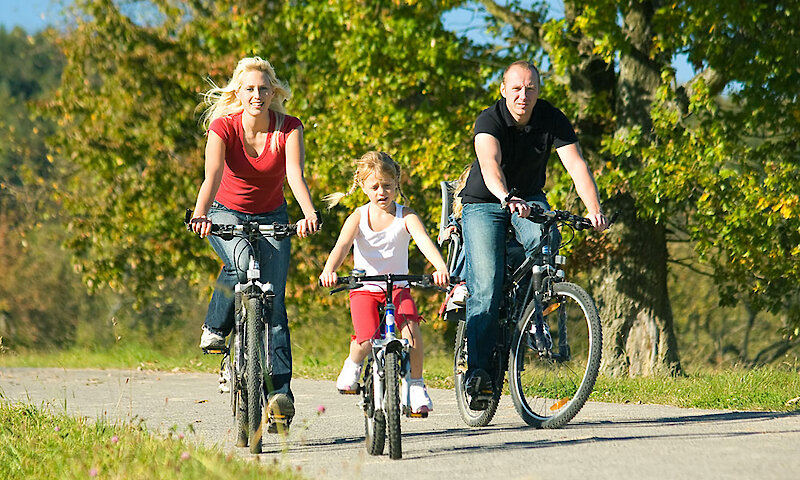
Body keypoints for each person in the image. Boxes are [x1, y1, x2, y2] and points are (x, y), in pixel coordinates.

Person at [459, 60, 608, 407]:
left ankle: (531, 314)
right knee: (487, 282)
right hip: (485, 201)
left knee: (548, 240)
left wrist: (594, 209)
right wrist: (505, 197)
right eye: (516, 88)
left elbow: (576, 165)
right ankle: (478, 374)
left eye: (530, 88)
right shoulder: (489, 119)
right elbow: (489, 163)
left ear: (538, 91)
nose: (522, 95)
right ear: (503, 90)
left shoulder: (552, 118)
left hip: (528, 198)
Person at [189, 56, 320, 431]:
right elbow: (212, 175)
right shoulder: (223, 127)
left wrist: (308, 213)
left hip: (273, 217)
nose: (257, 95)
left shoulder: (288, 128)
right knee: (240, 266)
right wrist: (201, 214)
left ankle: (280, 396)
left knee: (275, 306)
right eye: (249, 89)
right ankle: (216, 327)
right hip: (224, 212)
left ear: (273, 92)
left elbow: (294, 174)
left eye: (264, 88)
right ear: (238, 93)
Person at [319, 151, 449, 415]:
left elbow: (424, 241)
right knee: (366, 340)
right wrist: (329, 269)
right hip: (365, 289)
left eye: (387, 186)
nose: (382, 192)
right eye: (375, 186)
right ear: (363, 187)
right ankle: (353, 365)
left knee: (411, 330)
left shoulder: (406, 216)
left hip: (398, 288)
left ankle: (415, 384)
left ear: (397, 184)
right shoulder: (357, 217)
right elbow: (342, 246)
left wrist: (440, 267)